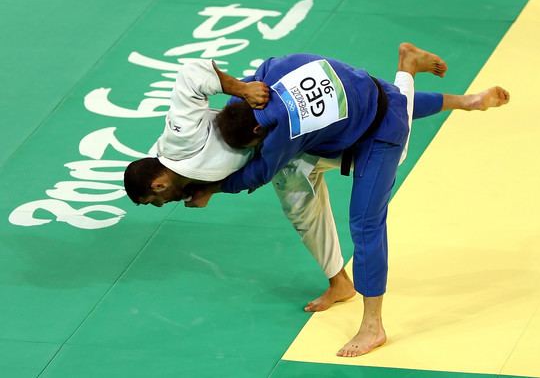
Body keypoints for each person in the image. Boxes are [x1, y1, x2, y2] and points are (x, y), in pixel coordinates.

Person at [123, 47, 510, 355]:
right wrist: (246, 88)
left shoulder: (265, 133)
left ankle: (373, 325)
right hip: (345, 99)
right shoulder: (266, 79)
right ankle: (467, 101)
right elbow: (277, 71)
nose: (165, 206)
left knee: (366, 221)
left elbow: (259, 170)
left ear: (158, 185)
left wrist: (215, 186)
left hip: (377, 133)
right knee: (298, 200)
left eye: (158, 201)